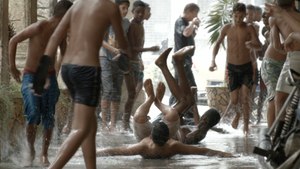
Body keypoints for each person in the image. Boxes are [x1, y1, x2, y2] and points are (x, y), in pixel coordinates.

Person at [31, 0, 129, 168]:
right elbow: (123, 43)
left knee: (90, 122)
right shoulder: (110, 7)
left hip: (69, 69)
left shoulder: (77, 5)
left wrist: (41, 71)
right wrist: (126, 56)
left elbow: (55, 37)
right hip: (87, 70)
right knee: (80, 129)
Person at [96, 46, 233, 158]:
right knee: (186, 101)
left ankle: (158, 90)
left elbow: (117, 150)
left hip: (163, 125)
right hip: (166, 125)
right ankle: (161, 88)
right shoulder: (175, 144)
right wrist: (227, 154)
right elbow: (202, 151)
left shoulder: (146, 145)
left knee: (185, 101)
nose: (202, 119)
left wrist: (92, 153)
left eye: (204, 118)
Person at [8, 0, 72, 167]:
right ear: (63, 16)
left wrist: (59, 71)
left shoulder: (61, 33)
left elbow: (63, 53)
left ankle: (44, 153)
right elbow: (13, 40)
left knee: (49, 117)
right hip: (30, 77)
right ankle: (30, 151)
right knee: (34, 114)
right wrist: (12, 67)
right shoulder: (39, 27)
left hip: (49, 78)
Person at [209, 2, 261, 136]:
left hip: (246, 67)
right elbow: (217, 44)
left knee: (245, 98)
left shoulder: (249, 28)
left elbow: (259, 45)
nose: (238, 19)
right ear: (232, 14)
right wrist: (213, 60)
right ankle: (237, 115)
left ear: (245, 15)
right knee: (234, 100)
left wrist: (252, 44)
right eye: (236, 16)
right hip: (232, 68)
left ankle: (246, 128)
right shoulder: (226, 28)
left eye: (241, 16)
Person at [122, 0, 159, 131]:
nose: (140, 14)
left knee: (135, 92)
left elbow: (138, 47)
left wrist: (141, 60)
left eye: (142, 12)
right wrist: (150, 49)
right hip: (130, 63)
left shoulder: (141, 25)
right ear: (132, 12)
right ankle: (125, 122)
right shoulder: (132, 25)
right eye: (137, 12)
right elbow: (132, 48)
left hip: (136, 62)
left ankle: (128, 119)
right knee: (132, 93)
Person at [264, 0, 300, 134]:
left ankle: (282, 137)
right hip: (290, 59)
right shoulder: (274, 18)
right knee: (279, 98)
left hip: (292, 58)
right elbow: (276, 45)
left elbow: (277, 46)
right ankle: (279, 137)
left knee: (281, 99)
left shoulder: (280, 17)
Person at [99, 0, 131, 131]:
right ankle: (104, 123)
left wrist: (123, 53)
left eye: (127, 8)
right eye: (123, 8)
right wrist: (113, 50)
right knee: (107, 90)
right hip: (105, 57)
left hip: (119, 59)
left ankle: (112, 124)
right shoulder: (106, 21)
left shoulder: (126, 23)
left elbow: (125, 40)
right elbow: (100, 39)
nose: (125, 11)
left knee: (117, 91)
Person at [169, 3, 201, 125]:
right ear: (190, 12)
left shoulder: (186, 23)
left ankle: (176, 112)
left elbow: (190, 36)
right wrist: (192, 23)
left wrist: (194, 27)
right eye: (195, 14)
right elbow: (185, 33)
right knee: (191, 87)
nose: (196, 16)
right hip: (181, 60)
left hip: (185, 60)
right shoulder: (180, 22)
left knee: (179, 88)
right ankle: (188, 113)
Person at [260, 9, 287, 127]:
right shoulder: (275, 20)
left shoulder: (293, 18)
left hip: (286, 63)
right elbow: (277, 45)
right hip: (271, 64)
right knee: (274, 96)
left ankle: (281, 132)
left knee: (284, 98)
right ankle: (271, 134)